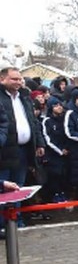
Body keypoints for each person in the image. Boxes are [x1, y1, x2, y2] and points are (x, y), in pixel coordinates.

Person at [0, 67, 45, 236]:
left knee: (17, 189)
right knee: (3, 189)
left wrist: (39, 143)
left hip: (23, 150)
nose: (18, 82)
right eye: (14, 79)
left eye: (20, 79)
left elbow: (33, 123)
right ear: (2, 79)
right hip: (4, 152)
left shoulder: (24, 97)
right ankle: (2, 224)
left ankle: (15, 220)